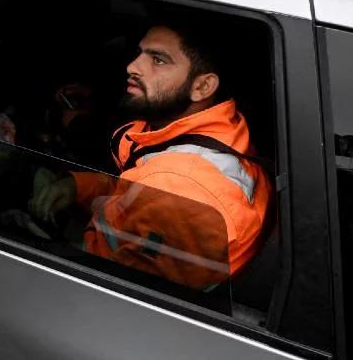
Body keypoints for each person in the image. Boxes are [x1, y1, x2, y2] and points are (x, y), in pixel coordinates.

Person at [31, 17, 272, 289]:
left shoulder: (178, 196)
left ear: (202, 87)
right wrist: (79, 186)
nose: (132, 67)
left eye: (158, 60)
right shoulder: (221, 128)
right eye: (140, 53)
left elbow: (113, 292)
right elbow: (136, 190)